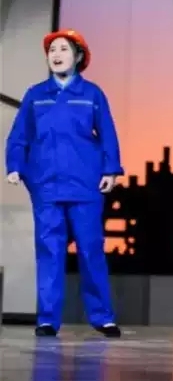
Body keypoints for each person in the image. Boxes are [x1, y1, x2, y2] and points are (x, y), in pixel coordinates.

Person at [5, 29, 123, 338]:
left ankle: (102, 317)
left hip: (85, 185)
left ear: (78, 56)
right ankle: (47, 319)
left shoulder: (92, 94)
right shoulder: (36, 95)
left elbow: (108, 134)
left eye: (64, 49)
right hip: (46, 184)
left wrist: (111, 169)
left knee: (90, 249)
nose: (56, 55)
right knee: (49, 250)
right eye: (52, 50)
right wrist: (14, 166)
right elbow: (19, 137)